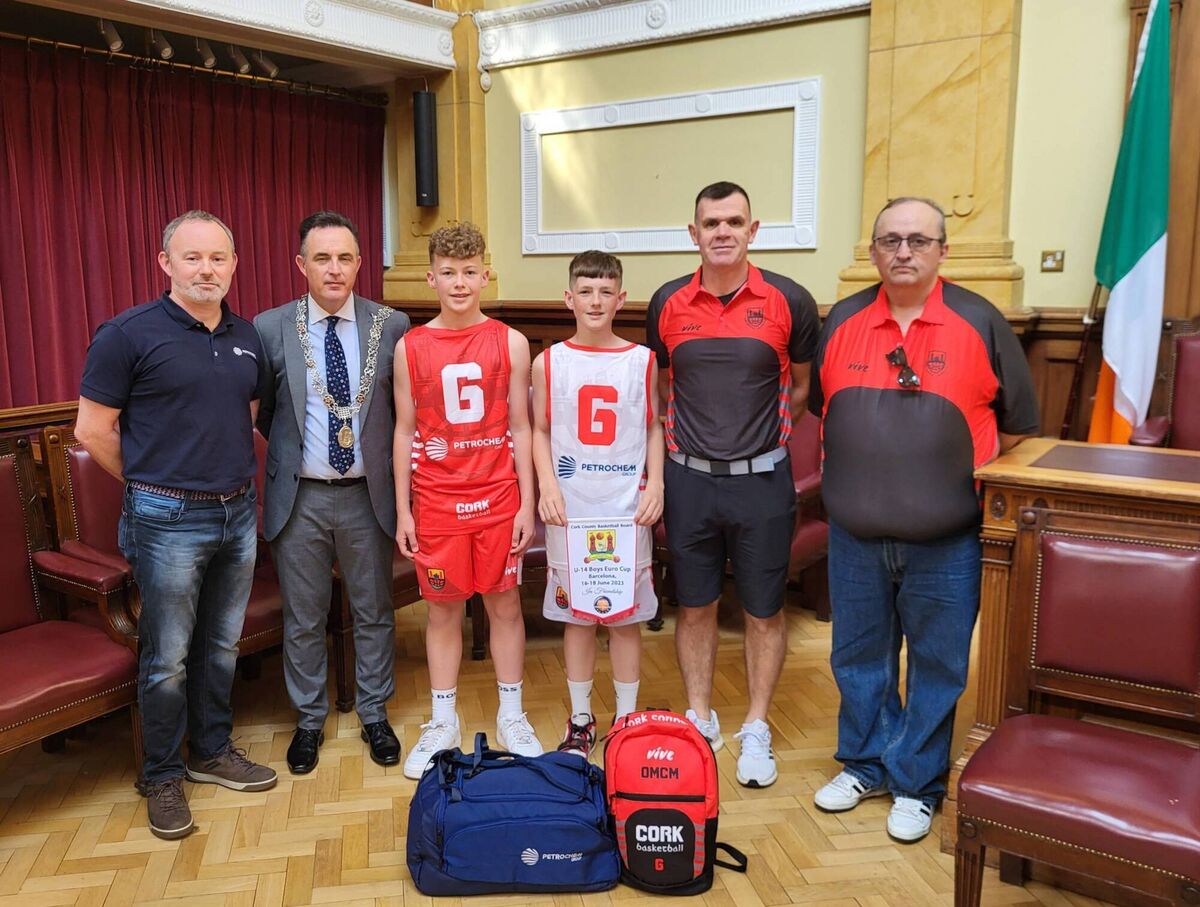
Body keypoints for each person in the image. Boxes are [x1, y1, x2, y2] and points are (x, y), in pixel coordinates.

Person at [809, 196, 1039, 842]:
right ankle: (865, 761)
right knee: (858, 656)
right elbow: (823, 410)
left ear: (944, 249)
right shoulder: (845, 320)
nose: (902, 251)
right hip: (854, 535)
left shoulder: (980, 321)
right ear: (874, 251)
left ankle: (917, 781)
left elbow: (1022, 428)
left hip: (948, 539)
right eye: (889, 240)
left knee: (937, 663)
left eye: (917, 239)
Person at [75, 210, 277, 841]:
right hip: (166, 519)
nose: (206, 269)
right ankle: (160, 775)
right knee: (165, 658)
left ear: (234, 264)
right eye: (192, 258)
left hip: (238, 511)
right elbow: (92, 431)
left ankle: (211, 752)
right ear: (165, 263)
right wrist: (149, 485)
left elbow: (242, 414)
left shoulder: (247, 335)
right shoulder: (126, 334)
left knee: (220, 645)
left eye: (218, 257)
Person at [646, 181, 819, 788]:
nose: (723, 232)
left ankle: (755, 727)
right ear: (693, 234)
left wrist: (759, 441)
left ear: (754, 229)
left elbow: (799, 389)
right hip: (689, 482)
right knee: (693, 609)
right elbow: (664, 389)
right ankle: (698, 718)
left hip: (763, 483)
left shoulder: (789, 300)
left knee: (764, 612)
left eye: (734, 222)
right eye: (711, 223)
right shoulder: (666, 302)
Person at [254, 211, 410, 774]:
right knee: (303, 616)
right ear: (301, 265)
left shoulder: (391, 326)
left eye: (345, 257)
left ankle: (373, 713)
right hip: (301, 498)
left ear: (360, 263)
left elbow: (402, 417)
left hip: (369, 495)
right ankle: (309, 721)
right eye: (322, 258)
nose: (335, 269)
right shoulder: (270, 327)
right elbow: (267, 416)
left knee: (374, 610)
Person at [392, 222, 540, 778]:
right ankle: (442, 721)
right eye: (448, 273)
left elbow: (522, 427)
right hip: (436, 500)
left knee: (504, 606)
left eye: (469, 272)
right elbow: (405, 431)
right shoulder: (411, 346)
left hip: (498, 498)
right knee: (442, 612)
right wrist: (405, 509)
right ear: (431, 277)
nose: (459, 283)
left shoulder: (511, 341)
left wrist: (528, 502)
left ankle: (511, 714)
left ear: (485, 274)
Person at [532, 250, 664, 758]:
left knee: (627, 616)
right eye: (585, 291)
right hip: (573, 506)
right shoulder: (549, 362)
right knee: (577, 616)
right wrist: (547, 485)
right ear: (569, 298)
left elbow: (653, 424)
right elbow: (540, 431)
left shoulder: (642, 360)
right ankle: (582, 717)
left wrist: (656, 486)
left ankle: (627, 717)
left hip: (627, 506)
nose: (595, 300)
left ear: (621, 299)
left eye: (605, 292)